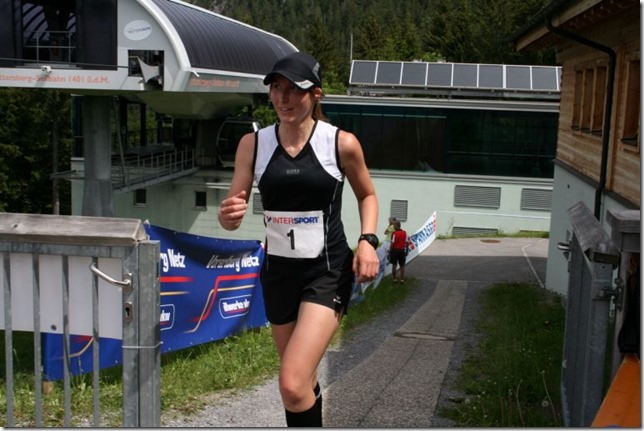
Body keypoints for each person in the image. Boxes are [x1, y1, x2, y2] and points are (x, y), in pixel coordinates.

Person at [217, 51, 380, 427]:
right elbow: (231, 216)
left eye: (294, 90)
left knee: (290, 383)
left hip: (326, 271)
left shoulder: (340, 144)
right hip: (279, 274)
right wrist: (227, 216)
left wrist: (368, 240)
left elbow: (367, 195)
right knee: (301, 382)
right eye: (276, 88)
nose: (283, 99)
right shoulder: (253, 145)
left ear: (316, 95)